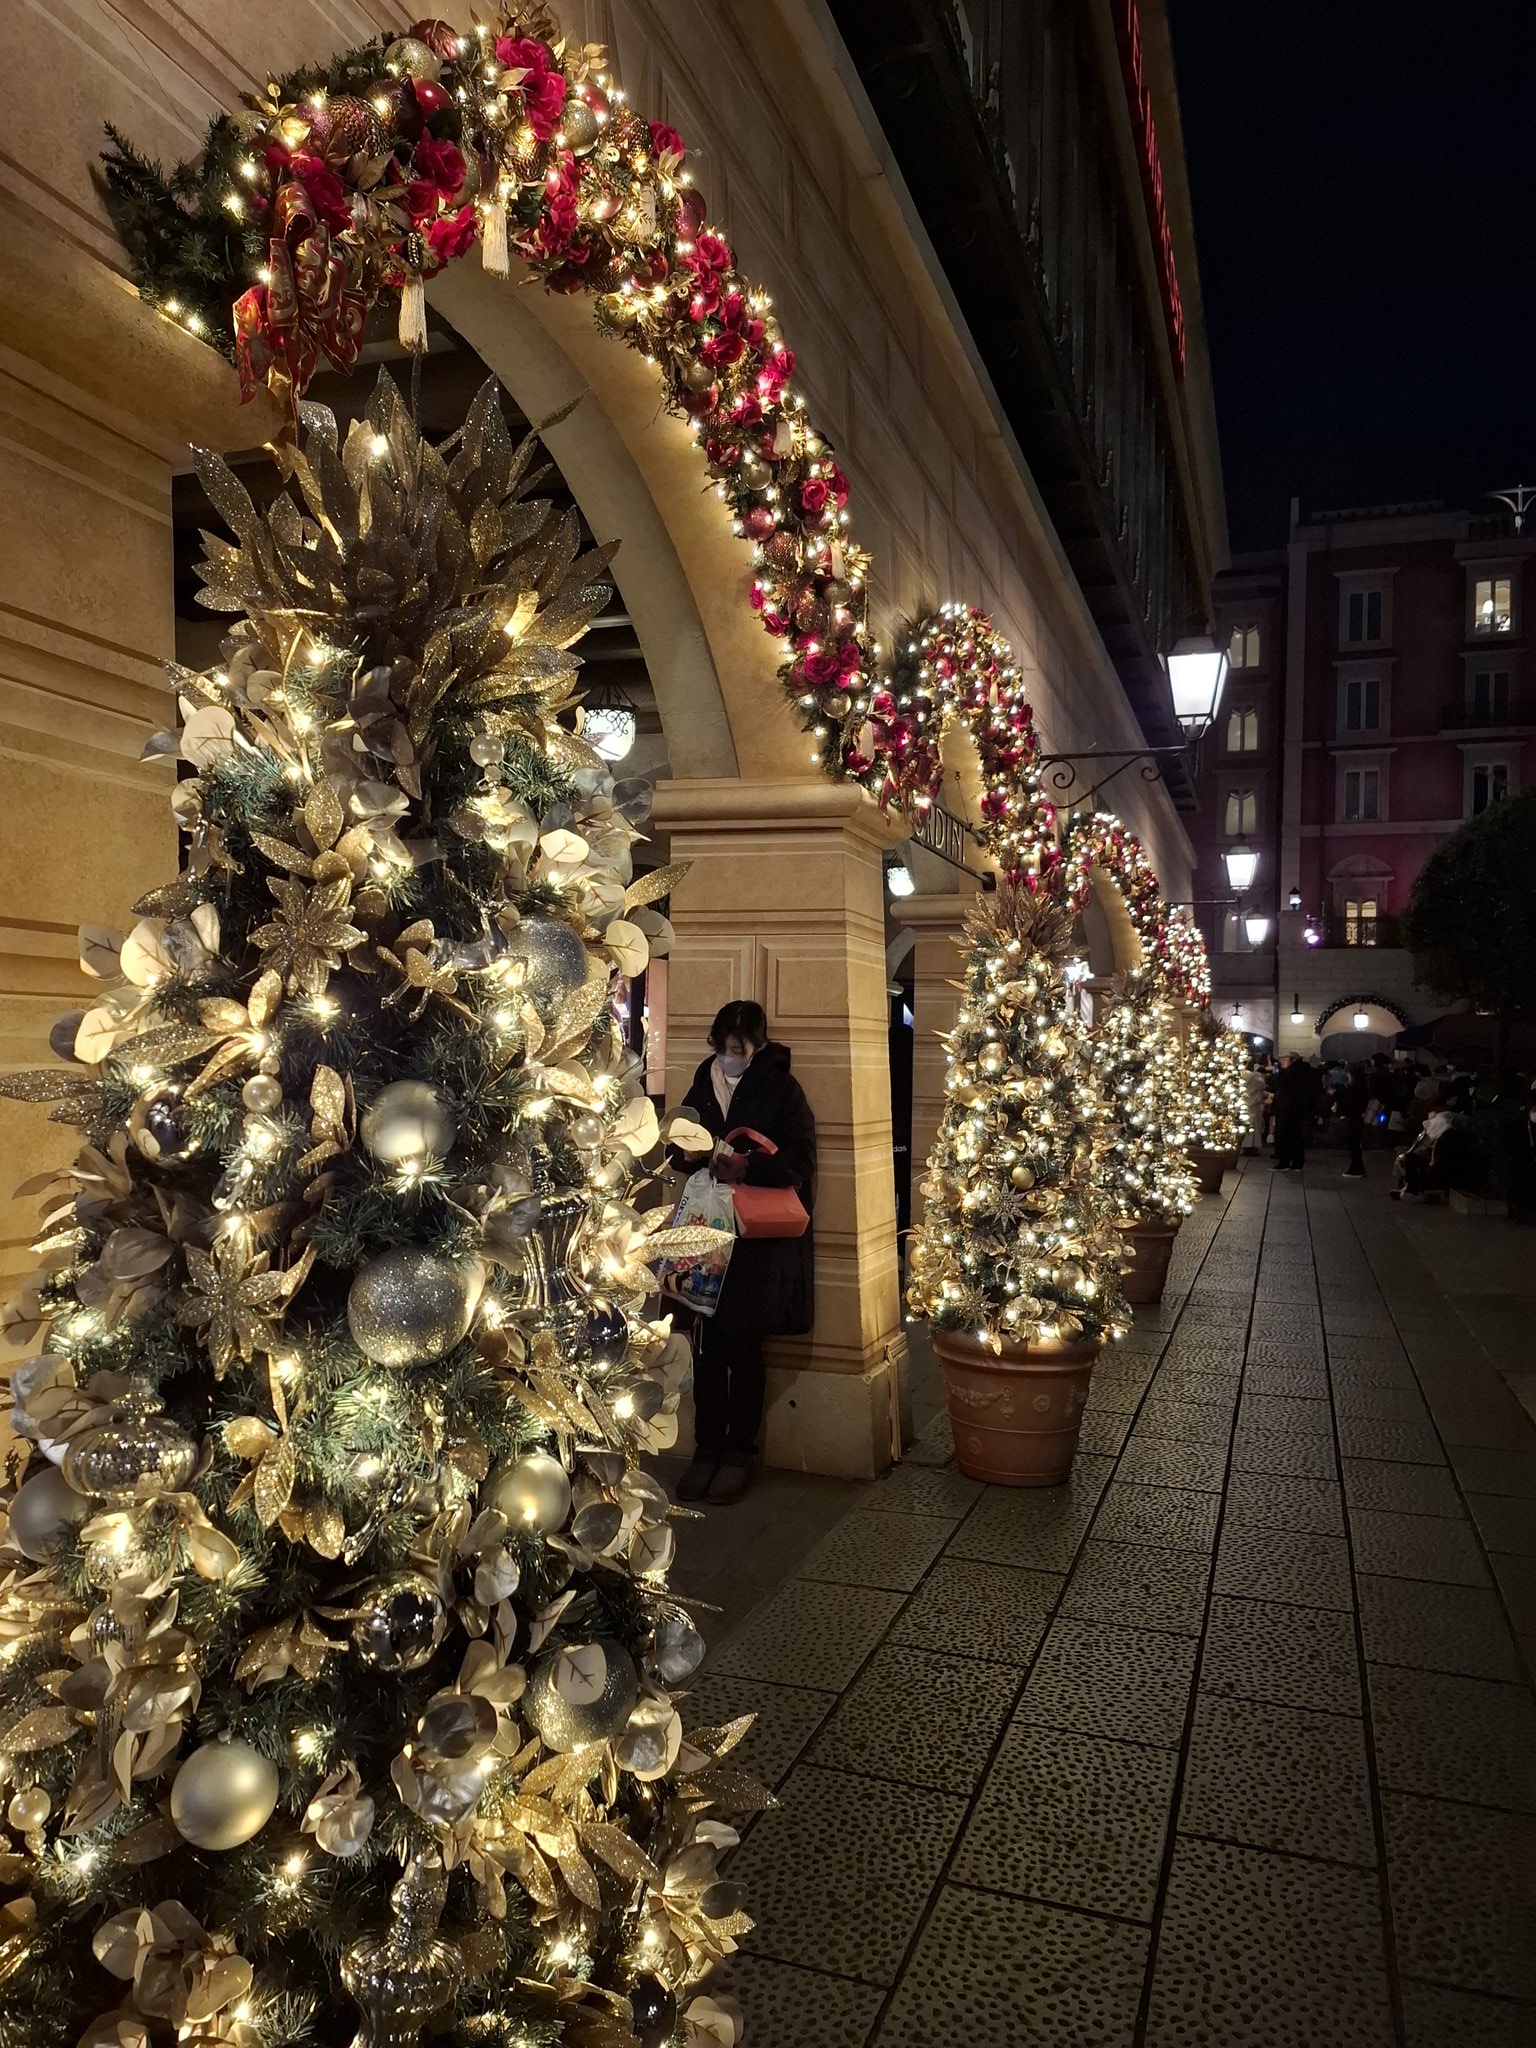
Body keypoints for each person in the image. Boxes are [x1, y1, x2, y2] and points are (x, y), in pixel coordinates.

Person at [670, 1000, 816, 1506]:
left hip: (753, 1239)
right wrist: (687, 1153)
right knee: (706, 1345)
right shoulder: (703, 1078)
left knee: (745, 1348)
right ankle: (705, 1448)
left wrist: (748, 1166)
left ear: (756, 1047)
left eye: (740, 1050)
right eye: (725, 1048)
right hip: (706, 1231)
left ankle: (738, 1452)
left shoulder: (780, 1086)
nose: (731, 1058)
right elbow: (678, 1144)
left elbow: (800, 1160)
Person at [1271, 1053, 1310, 1172]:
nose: (1283, 1062)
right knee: (1296, 1136)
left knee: (1286, 1135)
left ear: (1291, 1060)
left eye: (1285, 1059)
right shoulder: (1302, 1072)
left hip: (1288, 1109)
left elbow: (1281, 1087)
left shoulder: (1291, 1073)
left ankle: (1285, 1161)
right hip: (1296, 1109)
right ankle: (1297, 1162)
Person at [1335, 1063, 1370, 1179]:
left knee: (1353, 1143)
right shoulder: (1363, 1087)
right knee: (1355, 1144)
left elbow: (1347, 1102)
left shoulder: (1353, 1089)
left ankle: (1356, 1168)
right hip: (1357, 1118)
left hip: (1353, 1118)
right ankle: (1358, 1167)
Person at [1242, 1062, 1268, 1155]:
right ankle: (1251, 1146)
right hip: (1253, 1105)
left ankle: (1245, 1146)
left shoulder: (1241, 1075)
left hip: (1245, 1103)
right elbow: (1262, 1084)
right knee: (1255, 1126)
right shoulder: (1254, 1077)